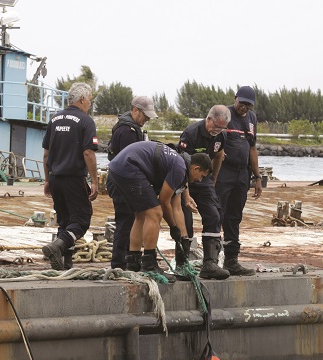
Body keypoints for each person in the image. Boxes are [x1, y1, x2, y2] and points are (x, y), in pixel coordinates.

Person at [107, 141, 212, 281]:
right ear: (195, 168)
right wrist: (173, 227)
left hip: (116, 168)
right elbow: (163, 201)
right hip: (129, 166)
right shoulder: (179, 168)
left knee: (140, 214)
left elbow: (176, 207)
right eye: (202, 176)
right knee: (155, 213)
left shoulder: (178, 165)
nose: (200, 180)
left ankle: (133, 262)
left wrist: (183, 236)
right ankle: (149, 264)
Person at [41, 82, 99, 270]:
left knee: (65, 220)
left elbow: (46, 154)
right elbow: (88, 153)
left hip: (55, 177)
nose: (89, 103)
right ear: (82, 99)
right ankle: (57, 246)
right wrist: (95, 182)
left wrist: (47, 180)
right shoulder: (86, 121)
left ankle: (65, 263)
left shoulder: (54, 119)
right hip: (73, 178)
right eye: (89, 100)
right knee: (81, 220)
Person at [177, 105, 231, 280]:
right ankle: (182, 265)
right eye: (216, 126)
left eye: (222, 128)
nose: (218, 131)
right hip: (185, 178)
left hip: (204, 179)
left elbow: (219, 153)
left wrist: (212, 180)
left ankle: (210, 263)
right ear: (208, 119)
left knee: (214, 215)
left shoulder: (221, 135)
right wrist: (186, 195)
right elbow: (180, 165)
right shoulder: (191, 133)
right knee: (185, 221)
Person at [106, 95, 158, 271]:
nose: (146, 120)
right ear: (136, 110)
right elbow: (128, 162)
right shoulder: (127, 131)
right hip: (122, 184)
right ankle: (119, 264)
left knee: (130, 221)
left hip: (122, 182)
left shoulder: (131, 129)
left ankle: (128, 261)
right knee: (125, 223)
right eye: (145, 116)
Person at [216, 86, 263, 276]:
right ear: (235, 98)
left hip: (242, 173)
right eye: (241, 103)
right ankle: (211, 259)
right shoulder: (224, 115)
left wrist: (257, 177)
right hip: (224, 172)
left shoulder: (252, 119)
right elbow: (214, 141)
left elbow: (252, 148)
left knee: (234, 216)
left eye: (248, 105)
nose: (244, 108)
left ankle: (232, 260)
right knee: (217, 213)